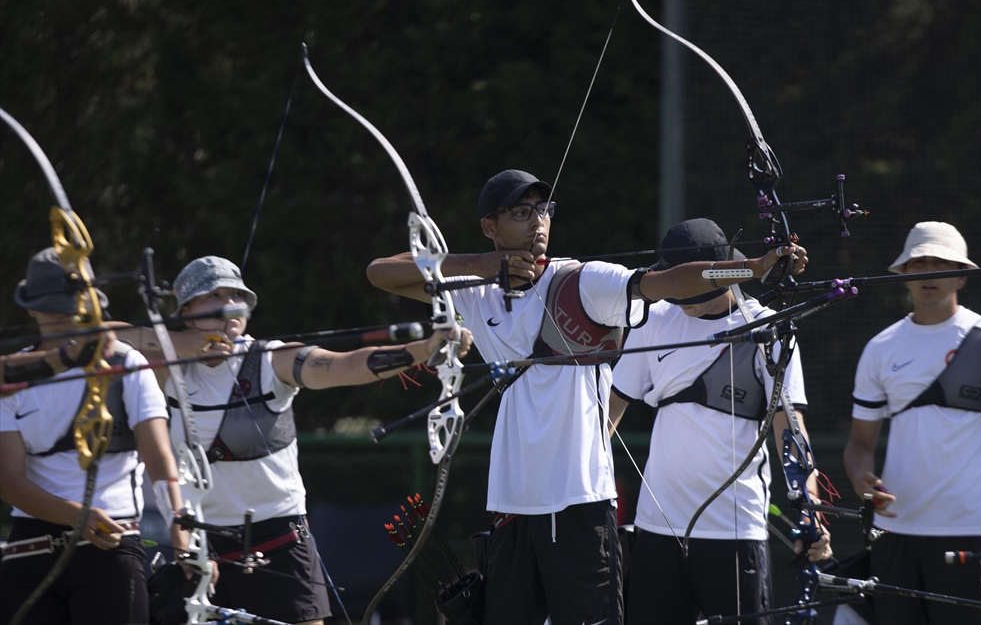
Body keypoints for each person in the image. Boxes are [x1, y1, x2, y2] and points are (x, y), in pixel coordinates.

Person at [365, 169, 809, 624]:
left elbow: (671, 282)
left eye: (544, 210)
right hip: (511, 503)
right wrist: (478, 265)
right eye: (522, 212)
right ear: (489, 227)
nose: (538, 221)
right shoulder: (477, 293)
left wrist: (750, 268)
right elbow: (380, 273)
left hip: (578, 504)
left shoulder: (583, 282)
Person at [130, 255, 474, 625]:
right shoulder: (163, 369)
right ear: (186, 310)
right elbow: (99, 337)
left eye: (237, 296)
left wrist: (422, 350)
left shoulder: (270, 360)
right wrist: (180, 343)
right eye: (215, 296)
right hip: (200, 552)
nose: (229, 306)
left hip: (278, 542)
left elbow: (344, 364)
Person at [607, 219, 829, 625]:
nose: (680, 295)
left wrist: (807, 506)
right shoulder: (653, 320)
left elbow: (789, 428)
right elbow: (608, 417)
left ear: (722, 273)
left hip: (734, 530)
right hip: (657, 527)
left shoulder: (768, 329)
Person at [842, 222, 981, 625]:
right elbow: (859, 445)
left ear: (962, 274)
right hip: (894, 535)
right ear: (905, 275)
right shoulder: (881, 348)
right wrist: (862, 479)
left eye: (940, 262)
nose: (929, 271)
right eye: (919, 263)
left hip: (967, 534)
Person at [0, 248, 188, 625]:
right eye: (49, 305)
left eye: (72, 304)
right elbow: (8, 479)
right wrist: (76, 515)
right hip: (31, 549)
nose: (61, 314)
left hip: (111, 545)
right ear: (30, 308)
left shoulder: (127, 362)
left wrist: (184, 542)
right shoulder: (12, 377)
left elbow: (159, 461)